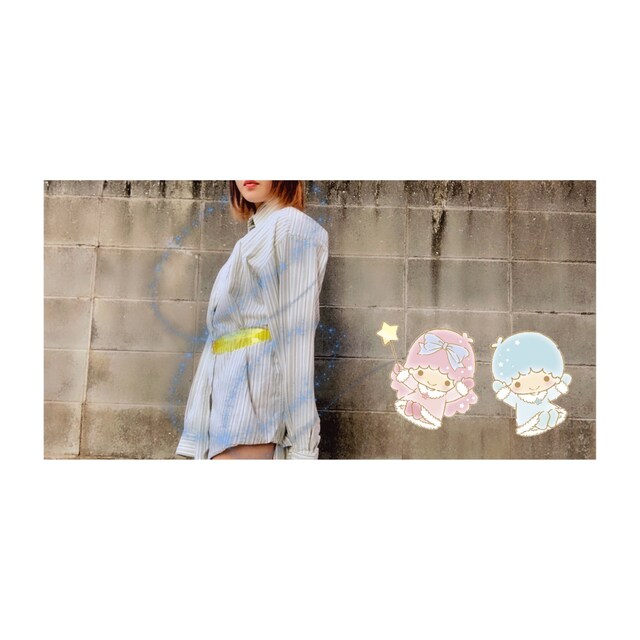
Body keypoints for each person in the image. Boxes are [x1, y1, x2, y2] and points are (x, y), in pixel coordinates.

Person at [176, 180, 329, 459]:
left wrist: (304, 445)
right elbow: (219, 340)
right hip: (226, 401)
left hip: (253, 403)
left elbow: (296, 336)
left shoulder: (290, 227)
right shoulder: (257, 234)